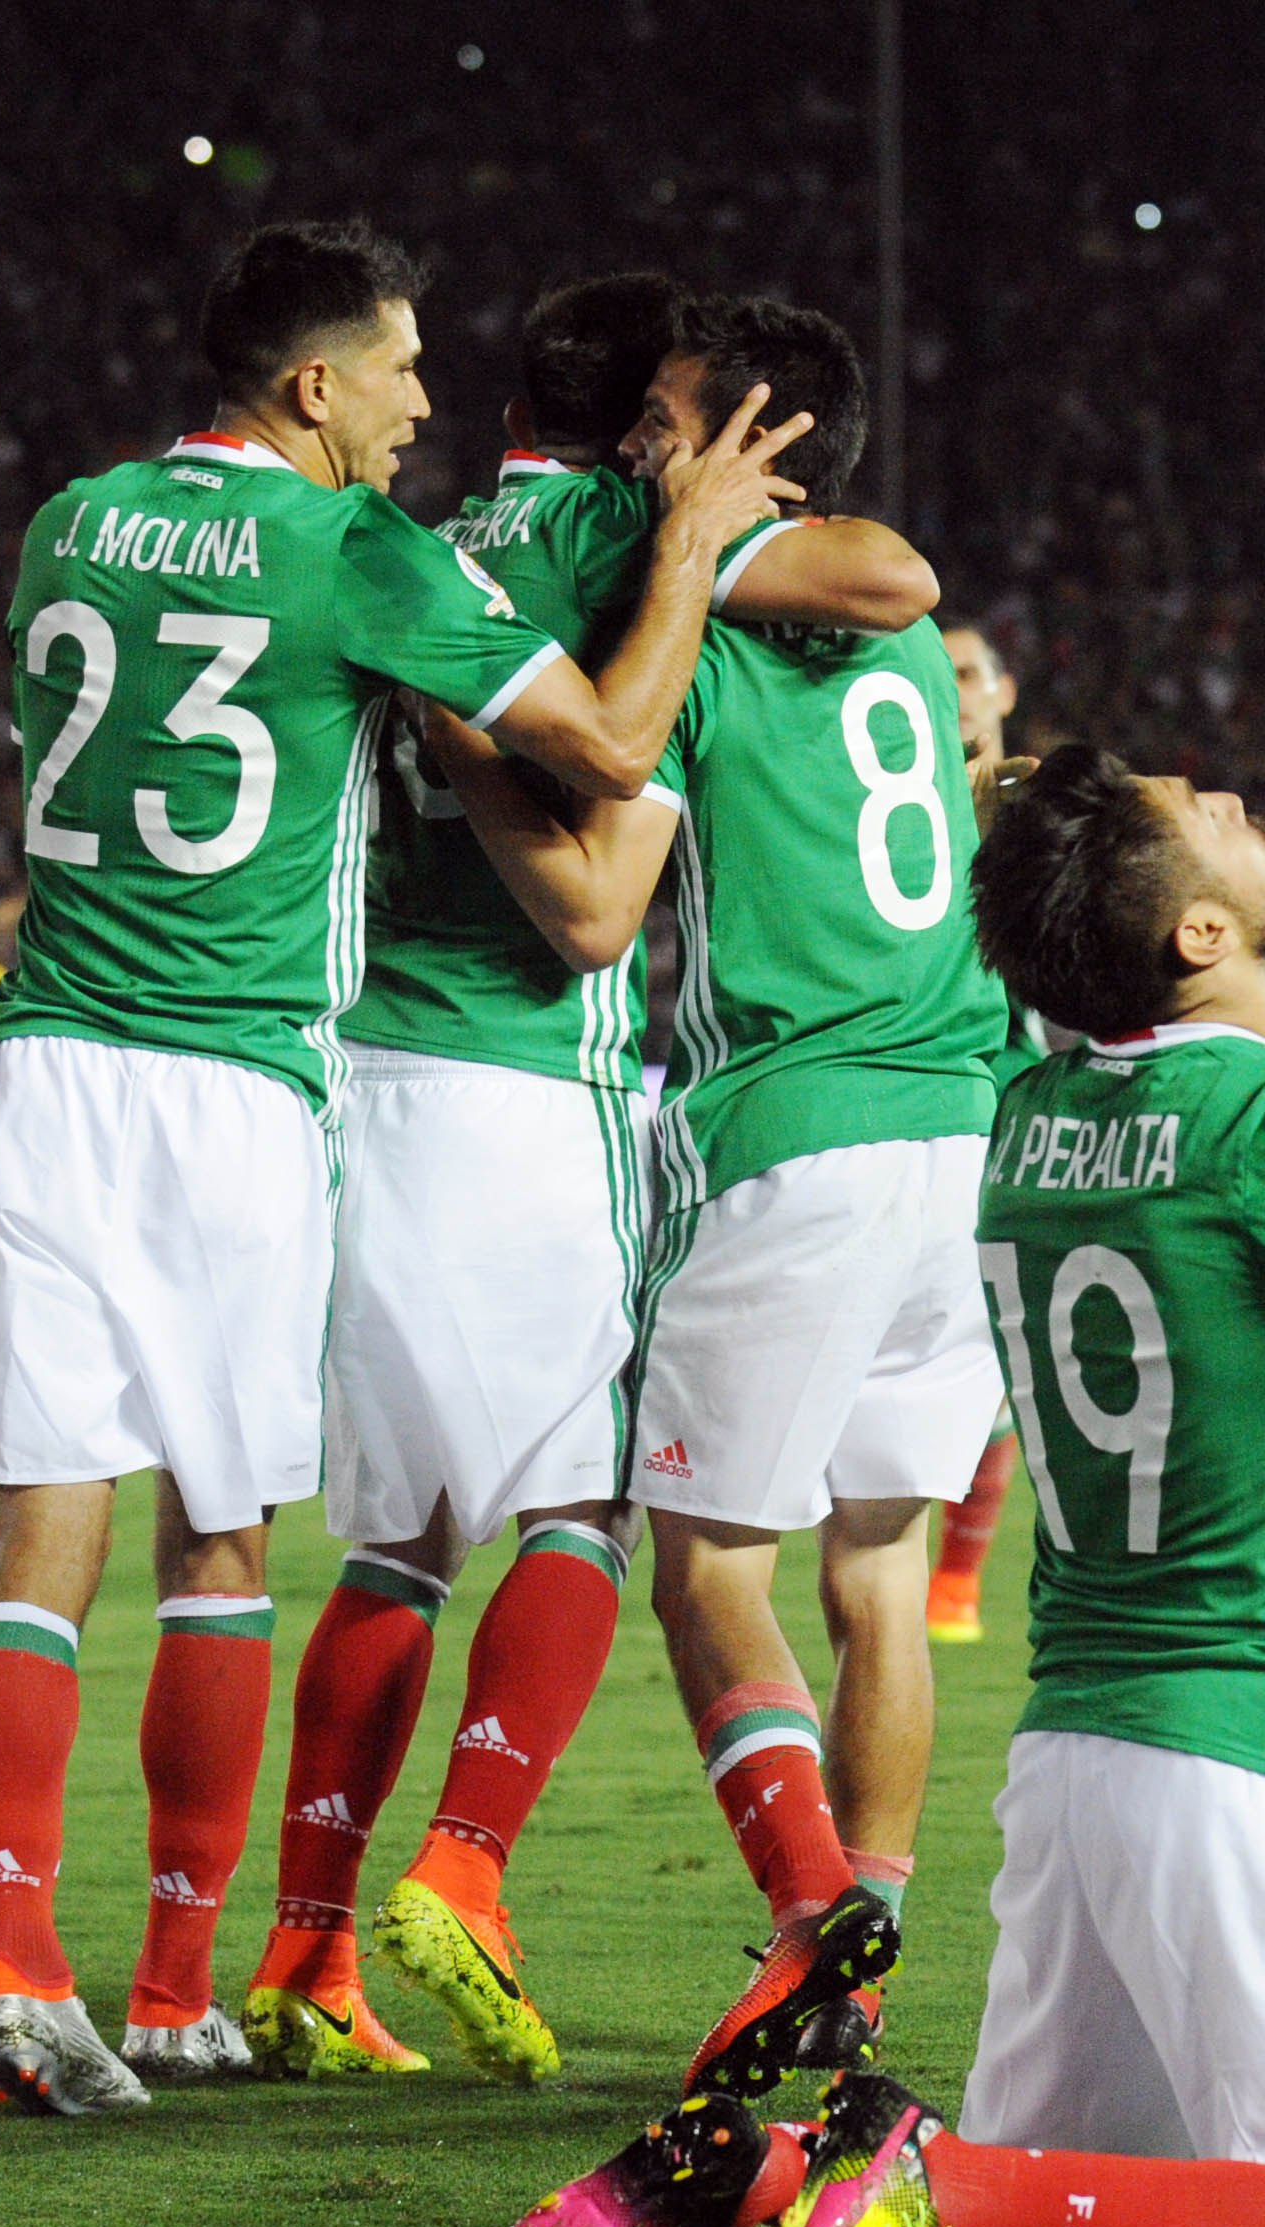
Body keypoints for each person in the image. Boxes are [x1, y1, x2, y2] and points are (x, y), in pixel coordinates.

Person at [480, 750, 1265, 2227]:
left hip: (1078, 1762)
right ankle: (926, 2180)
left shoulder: (1027, 1121)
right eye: (1208, 816)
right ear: (1200, 939)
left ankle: (751, 2173)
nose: (1242, 800)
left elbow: (1116, 1026)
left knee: (1082, 2209)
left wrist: (1055, 843)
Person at [0, 220, 800, 2115]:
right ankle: (171, 1984)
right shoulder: (350, 550)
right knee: (221, 1544)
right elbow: (621, 733)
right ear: (311, 385)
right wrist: (688, 543)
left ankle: (17, 1961)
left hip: (47, 1062)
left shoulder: (66, 522)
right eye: (396, 368)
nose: (422, 403)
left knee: (33, 1546)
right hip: (238, 1083)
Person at [245, 273, 941, 2084]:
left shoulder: (419, 540)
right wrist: (674, 554)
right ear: (641, 426)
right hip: (524, 1087)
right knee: (587, 1508)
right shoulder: (621, 541)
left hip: (362, 1066)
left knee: (394, 1536)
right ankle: (467, 1874)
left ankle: (299, 1947)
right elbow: (595, 909)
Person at [428, 296, 1004, 2100]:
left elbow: (596, 896)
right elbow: (898, 578)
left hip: (804, 1130)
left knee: (706, 1561)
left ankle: (816, 1900)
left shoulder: (693, 647)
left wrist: (462, 749)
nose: (636, 456)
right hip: (961, 1132)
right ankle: (848, 1962)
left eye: (672, 427)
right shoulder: (902, 650)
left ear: (758, 447)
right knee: (883, 1576)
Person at [925, 616, 1039, 1647]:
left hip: (1021, 1116)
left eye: (968, 674)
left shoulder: (1044, 812)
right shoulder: (895, 806)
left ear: (1002, 693)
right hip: (927, 1112)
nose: (954, 690)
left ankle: (954, 1580)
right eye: (940, 671)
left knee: (998, 1364)